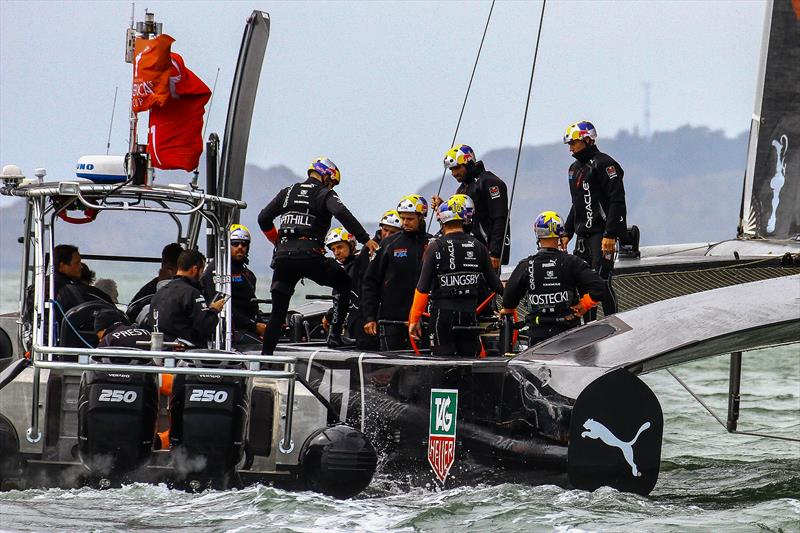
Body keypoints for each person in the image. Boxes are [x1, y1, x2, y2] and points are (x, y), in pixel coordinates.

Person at [257, 157, 379, 354]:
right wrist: (365, 238)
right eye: (332, 181)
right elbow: (340, 211)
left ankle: (265, 359)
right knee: (343, 283)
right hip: (310, 255)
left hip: (283, 259)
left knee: (278, 313)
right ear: (326, 175)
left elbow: (263, 219)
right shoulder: (324, 193)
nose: (332, 185)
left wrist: (276, 241)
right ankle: (335, 336)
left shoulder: (287, 192)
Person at [409, 195, 503, 357]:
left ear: (441, 221)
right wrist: (509, 307)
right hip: (469, 315)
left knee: (442, 367)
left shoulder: (435, 247)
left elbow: (422, 287)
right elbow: (496, 285)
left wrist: (413, 319)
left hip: (442, 316)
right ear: (465, 219)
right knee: (468, 366)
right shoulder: (478, 246)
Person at [502, 211, 606, 343]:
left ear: (538, 234)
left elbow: (508, 299)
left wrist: (508, 309)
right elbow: (599, 287)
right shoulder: (572, 262)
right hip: (568, 334)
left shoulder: (526, 265)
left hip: (537, 336)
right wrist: (585, 304)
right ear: (560, 233)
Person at [561, 121, 627, 319]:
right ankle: (589, 329)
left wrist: (611, 234)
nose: (571, 148)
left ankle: (612, 323)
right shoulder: (573, 169)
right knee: (584, 284)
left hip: (602, 234)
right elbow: (577, 203)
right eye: (569, 145)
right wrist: (567, 232)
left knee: (601, 282)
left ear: (588, 140)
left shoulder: (605, 163)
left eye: (574, 143)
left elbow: (617, 200)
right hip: (583, 235)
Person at [362, 194, 432, 351]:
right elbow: (370, 281)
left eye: (410, 219)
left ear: (421, 217)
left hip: (423, 321)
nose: (405, 223)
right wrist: (369, 317)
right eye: (403, 218)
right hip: (391, 322)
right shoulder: (389, 243)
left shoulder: (432, 244)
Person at [432, 144, 511, 269]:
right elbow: (460, 221)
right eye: (451, 170)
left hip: (487, 253)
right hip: (466, 252)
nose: (453, 173)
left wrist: (495, 253)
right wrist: (443, 207)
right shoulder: (462, 189)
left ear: (468, 163)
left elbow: (501, 219)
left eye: (457, 168)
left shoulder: (490, 183)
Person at [201, 224, 267, 343]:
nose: (240, 247)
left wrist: (261, 324)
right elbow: (221, 307)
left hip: (249, 326)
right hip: (229, 330)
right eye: (235, 244)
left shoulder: (249, 275)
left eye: (244, 244)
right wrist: (255, 326)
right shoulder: (217, 270)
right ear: (227, 245)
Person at [148, 249, 224, 347]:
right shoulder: (191, 293)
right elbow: (206, 326)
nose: (201, 275)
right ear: (195, 269)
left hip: (160, 351)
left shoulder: (159, 293)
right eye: (201, 271)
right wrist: (214, 310)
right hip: (186, 354)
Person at [322, 227, 375, 349]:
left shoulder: (359, 265)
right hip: (357, 320)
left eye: (340, 247)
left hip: (364, 321)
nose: (336, 252)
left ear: (351, 245)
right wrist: (331, 313)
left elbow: (352, 295)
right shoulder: (347, 267)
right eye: (333, 249)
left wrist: (331, 315)